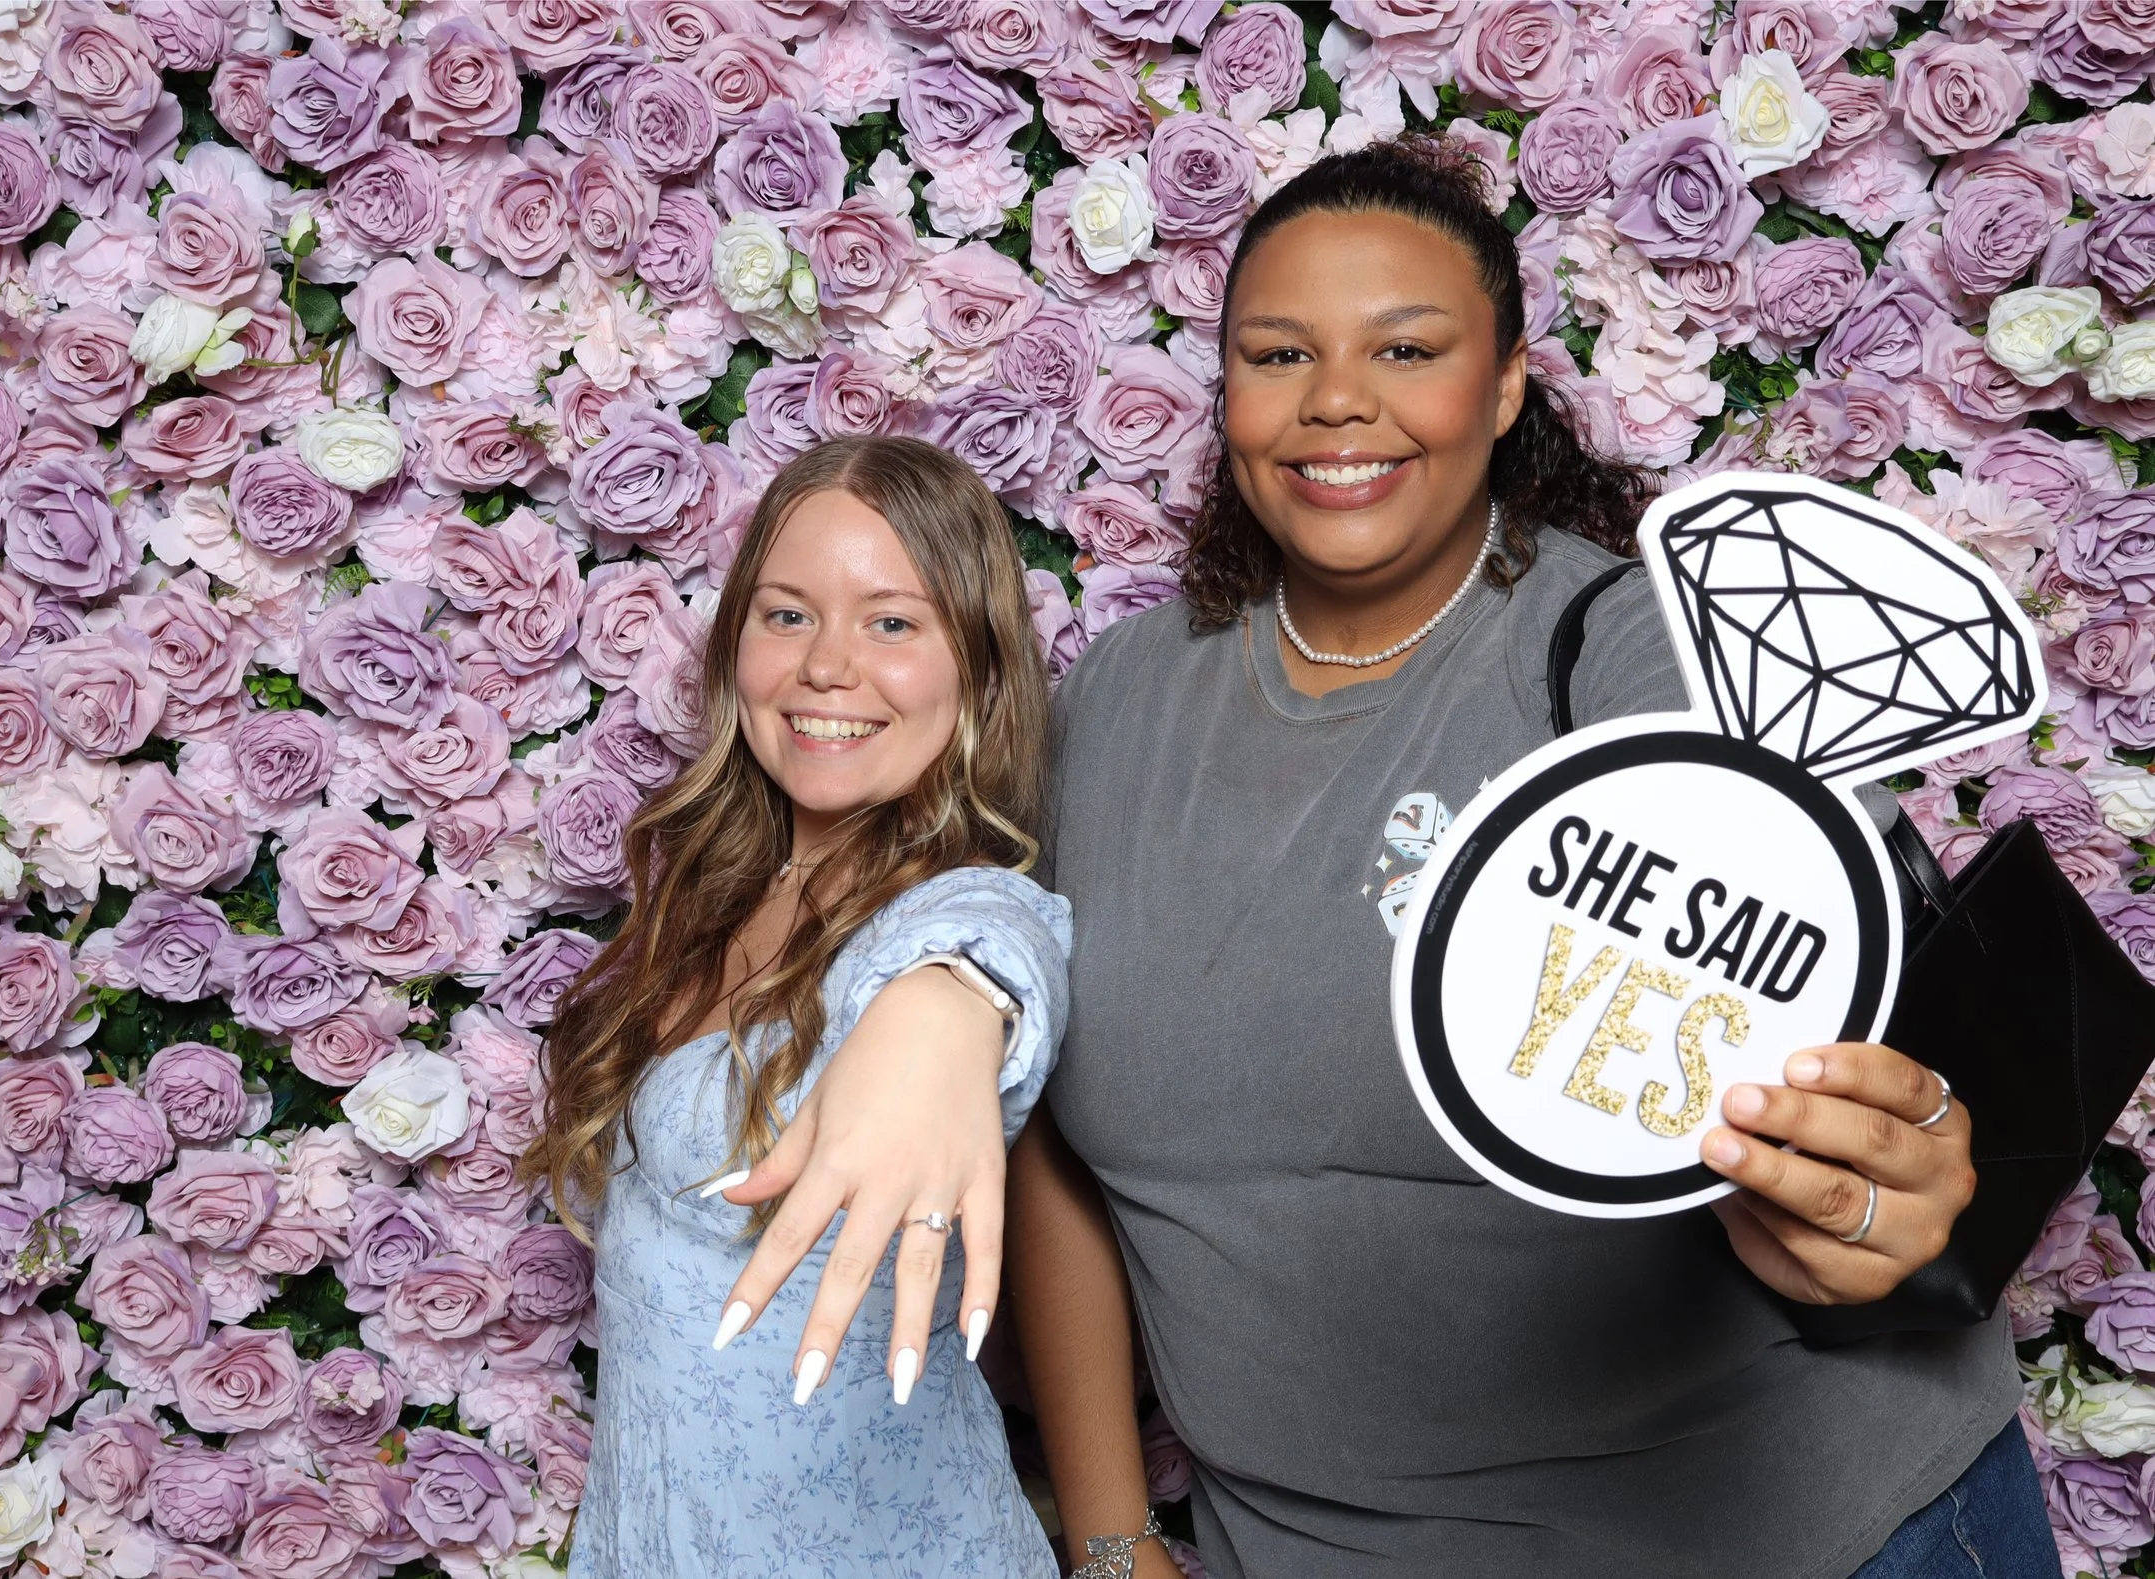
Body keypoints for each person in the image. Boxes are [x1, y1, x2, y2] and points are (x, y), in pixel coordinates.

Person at [708, 136, 2051, 1578]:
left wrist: (1880, 1193)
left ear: (1508, 383)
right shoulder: (1119, 698)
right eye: (1279, 353)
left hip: (1805, 1538)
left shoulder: (1649, 659)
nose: (1336, 398)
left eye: (1406, 348)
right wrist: (1109, 1534)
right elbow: (1057, 1156)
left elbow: (1857, 1039)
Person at [525, 435, 1067, 1577]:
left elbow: (991, 953)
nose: (826, 665)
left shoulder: (954, 908)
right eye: (786, 615)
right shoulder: (720, 891)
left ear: (978, 666)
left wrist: (946, 1009)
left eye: (892, 622)